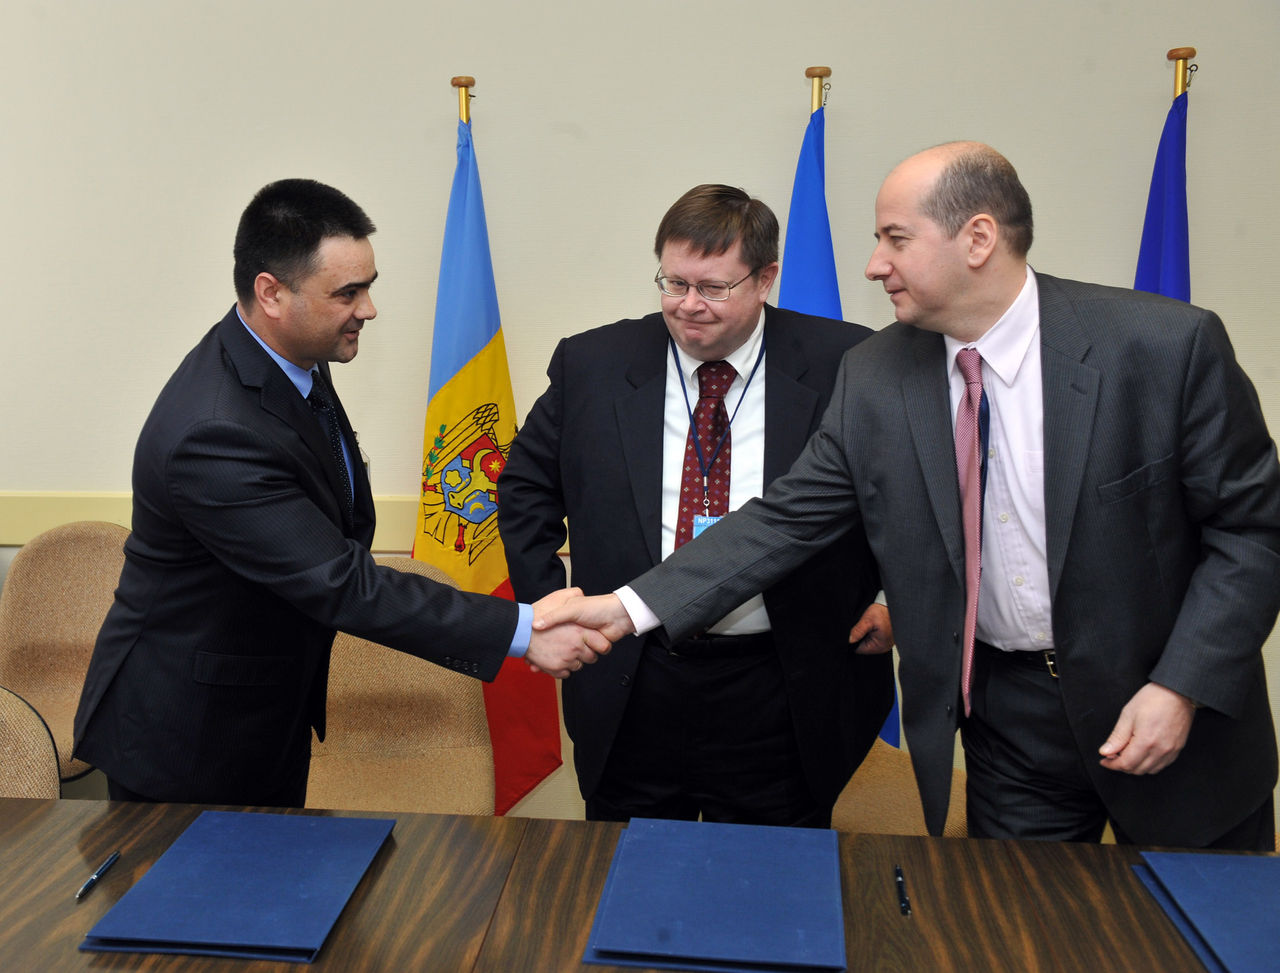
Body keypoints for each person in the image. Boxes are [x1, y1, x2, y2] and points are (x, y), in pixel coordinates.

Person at [539, 144, 1280, 850]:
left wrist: (1180, 686)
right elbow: (785, 518)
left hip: (1170, 707)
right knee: (1022, 933)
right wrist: (627, 607)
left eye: (896, 238)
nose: (874, 265)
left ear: (978, 238)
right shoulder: (876, 374)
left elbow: (1252, 534)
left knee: (1203, 936)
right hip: (1007, 721)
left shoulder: (1163, 348)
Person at [73, 178, 606, 807]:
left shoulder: (290, 360)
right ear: (271, 292)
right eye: (347, 293)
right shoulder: (213, 431)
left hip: (263, 707)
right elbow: (340, 582)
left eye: (369, 286)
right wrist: (523, 628)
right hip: (187, 735)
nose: (369, 309)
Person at [498, 184, 894, 827]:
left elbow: (904, 494)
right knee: (625, 882)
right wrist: (551, 602)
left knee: (769, 887)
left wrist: (891, 600)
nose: (688, 306)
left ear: (765, 278)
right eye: (673, 282)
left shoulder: (848, 361)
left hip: (784, 683)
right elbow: (523, 487)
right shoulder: (594, 363)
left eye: (712, 288)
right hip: (632, 679)